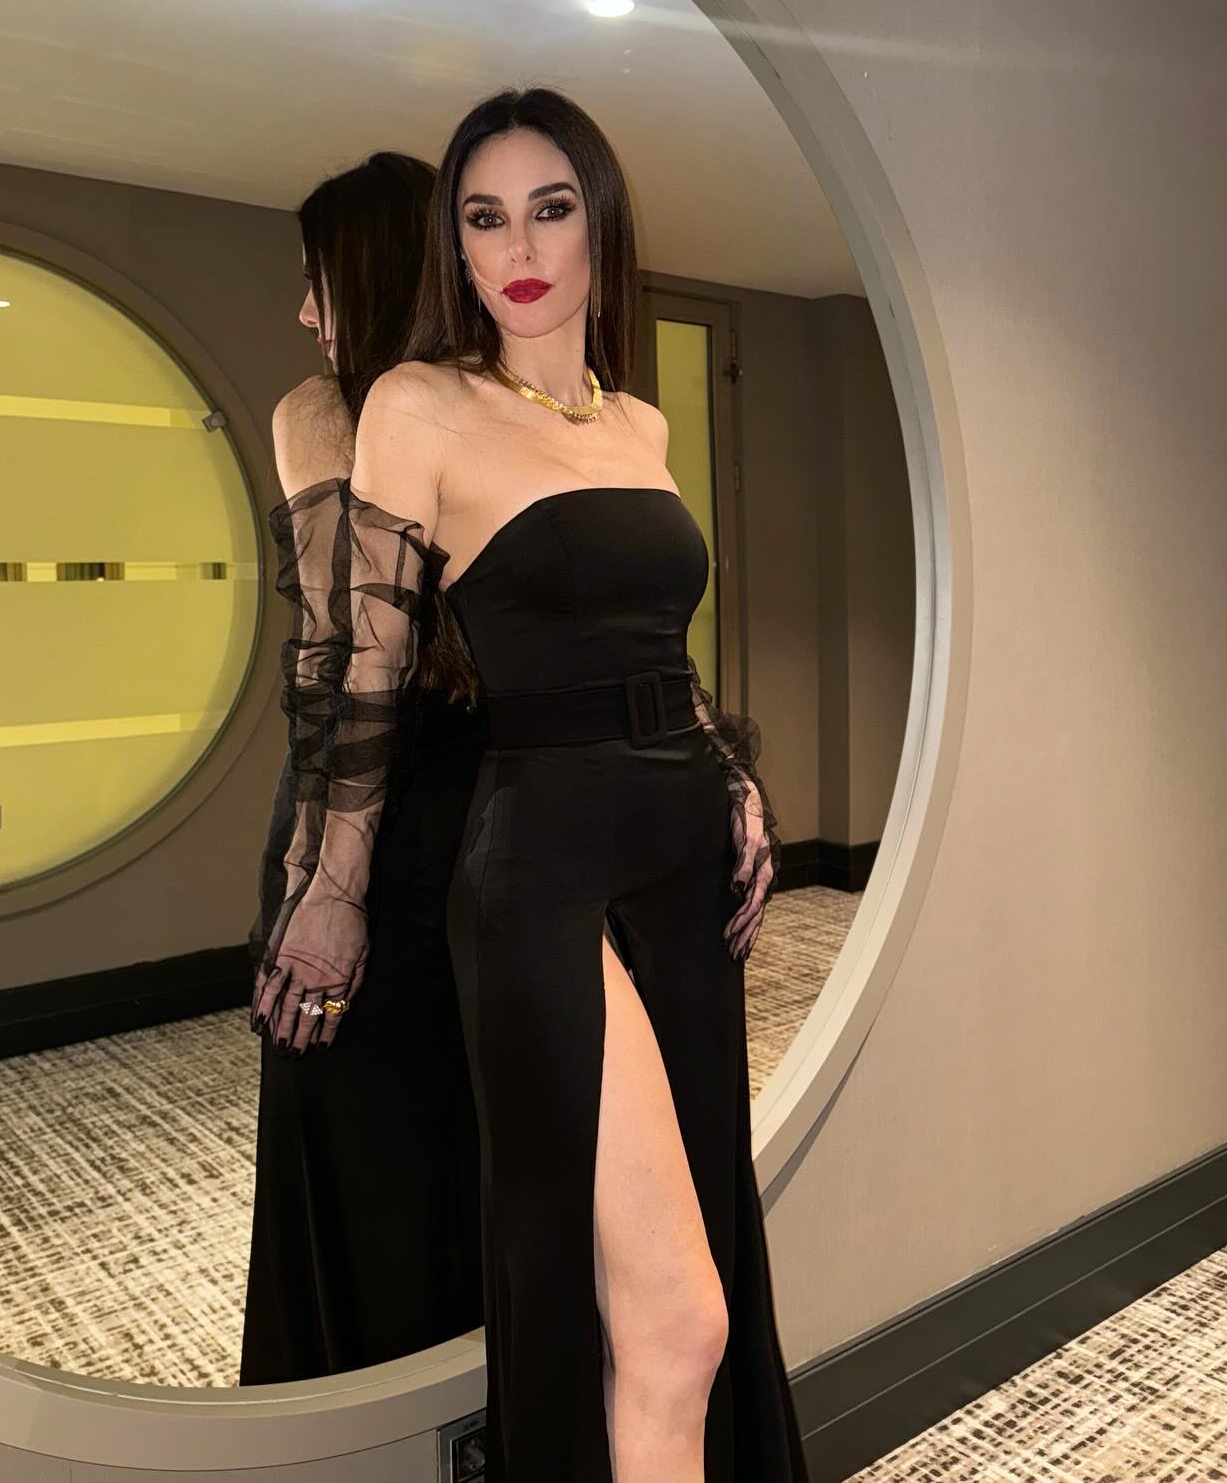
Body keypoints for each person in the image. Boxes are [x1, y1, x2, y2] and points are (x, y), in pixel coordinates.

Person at [252, 90, 807, 1481]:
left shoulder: (641, 425)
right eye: (484, 216)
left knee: (682, 1295)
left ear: (599, 224)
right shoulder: (419, 406)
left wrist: (730, 772)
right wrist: (331, 892)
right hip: (543, 873)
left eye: (551, 209)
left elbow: (655, 647)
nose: (520, 246)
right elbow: (362, 666)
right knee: (673, 1318)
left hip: (679, 870)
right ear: (453, 242)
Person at [239, 151, 488, 1384]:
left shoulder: (414, 412)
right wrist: (317, 881)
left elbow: (341, 658)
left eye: (317, 281)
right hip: (402, 811)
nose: (304, 311)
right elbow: (338, 661)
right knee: (392, 1118)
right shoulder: (335, 415)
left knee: (419, 1125)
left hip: (438, 822)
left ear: (375, 275)